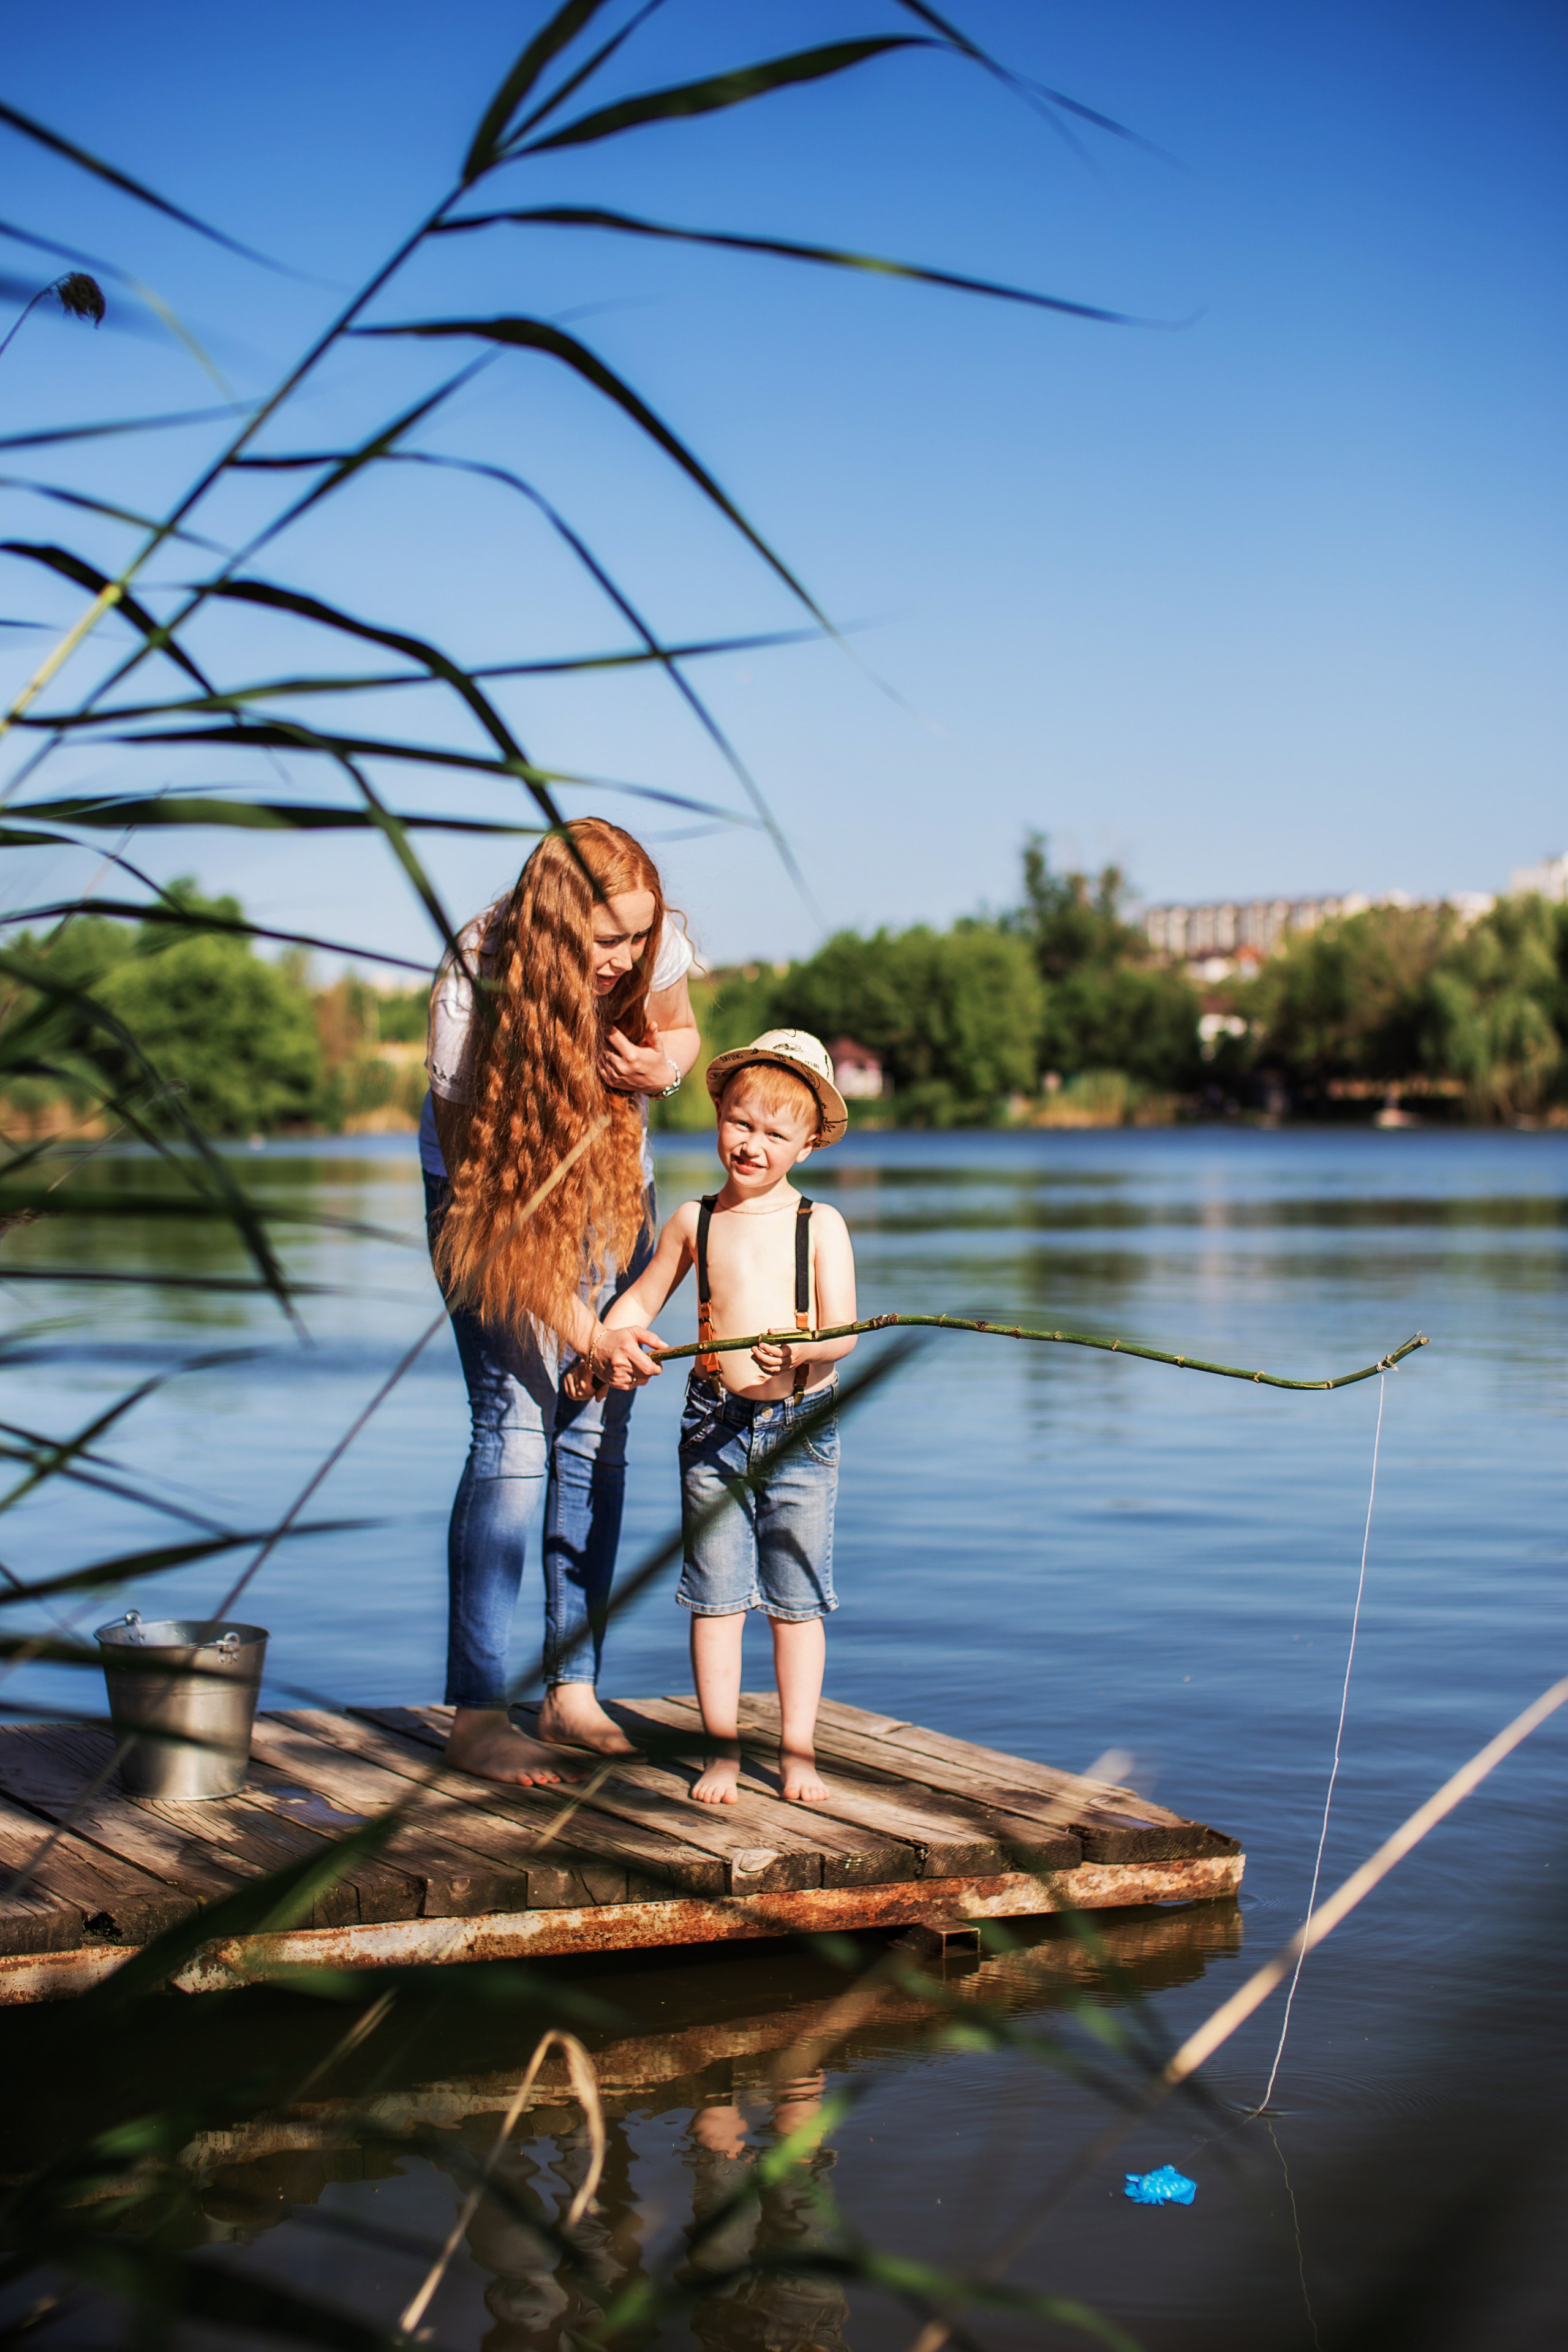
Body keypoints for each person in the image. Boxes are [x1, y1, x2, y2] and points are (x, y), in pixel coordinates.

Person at [421, 818, 699, 1785]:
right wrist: (588, 1329)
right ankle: (477, 1712)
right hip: (489, 1200)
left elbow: (683, 1034)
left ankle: (571, 1692)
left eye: (637, 940)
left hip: (611, 1181)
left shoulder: (648, 944)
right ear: (548, 929)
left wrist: (667, 1067)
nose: (622, 963)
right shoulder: (474, 979)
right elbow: (489, 1220)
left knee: (595, 1435)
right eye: (603, 943)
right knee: (517, 1430)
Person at [602, 1030, 855, 1805]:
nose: (753, 1144)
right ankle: (721, 1754)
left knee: (795, 1602)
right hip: (712, 1429)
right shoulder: (694, 1219)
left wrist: (808, 1352)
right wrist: (615, 1335)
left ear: (807, 1144)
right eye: (742, 1124)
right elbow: (640, 1301)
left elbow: (844, 1332)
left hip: (798, 1433)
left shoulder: (821, 1224)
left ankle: (799, 1751)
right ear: (720, 1114)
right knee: (715, 1600)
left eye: (776, 1134)